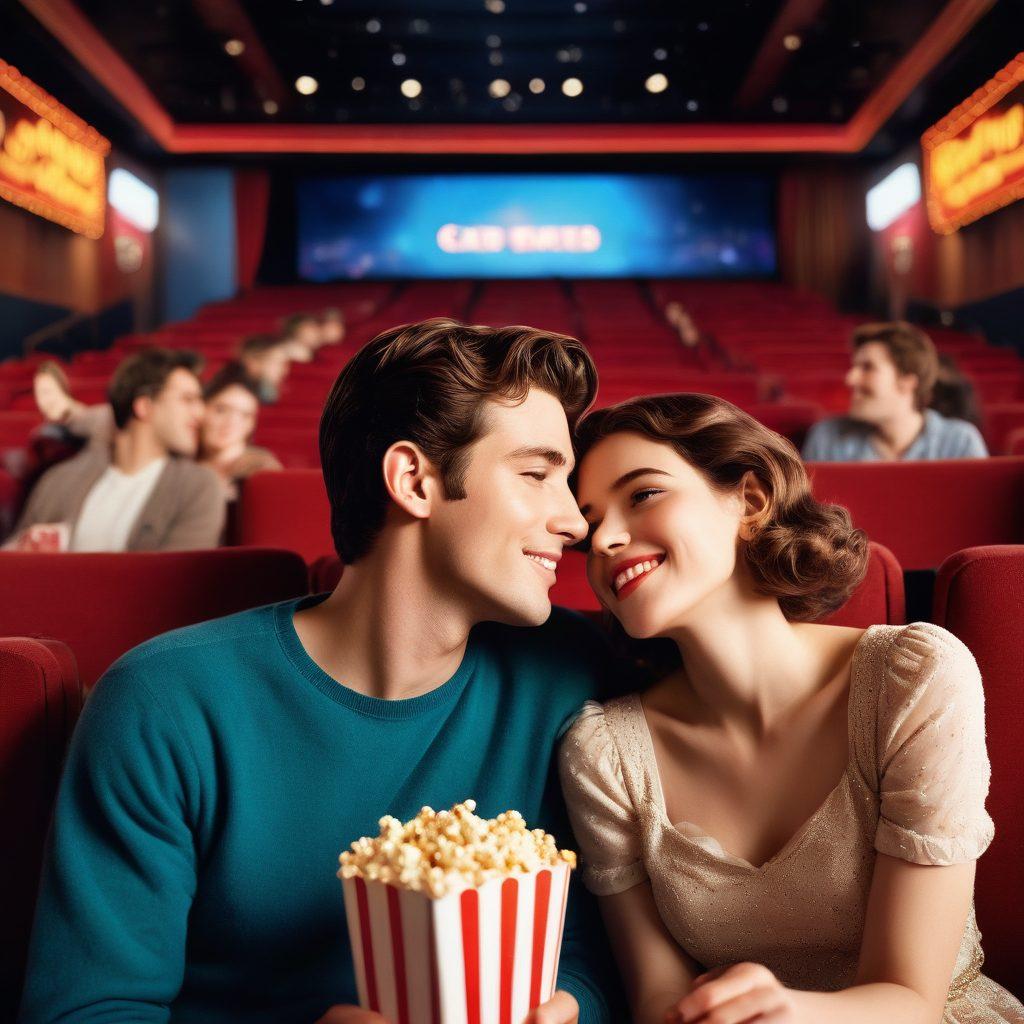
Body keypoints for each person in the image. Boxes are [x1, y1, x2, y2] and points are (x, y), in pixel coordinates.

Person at [20, 319, 619, 1024]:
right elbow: (90, 1010)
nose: (574, 521)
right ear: (414, 480)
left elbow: (591, 952)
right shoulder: (163, 704)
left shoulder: (566, 678)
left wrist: (570, 1006)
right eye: (537, 474)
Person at [559, 393, 1022, 1024]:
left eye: (642, 495)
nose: (606, 539)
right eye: (589, 526)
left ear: (749, 500)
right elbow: (658, 1003)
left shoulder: (913, 679)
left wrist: (788, 1012)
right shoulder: (604, 753)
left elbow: (912, 998)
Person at [5, 348, 224, 553]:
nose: (201, 413)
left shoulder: (198, 486)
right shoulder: (57, 481)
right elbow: (11, 563)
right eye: (187, 400)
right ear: (144, 407)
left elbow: (179, 583)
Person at [802, 322, 987, 461]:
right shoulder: (826, 438)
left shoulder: (960, 442)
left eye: (867, 367)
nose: (850, 378)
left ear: (907, 381)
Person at [199, 363, 282, 500]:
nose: (230, 422)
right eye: (221, 409)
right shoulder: (178, 465)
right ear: (202, 409)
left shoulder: (262, 468)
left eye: (244, 415)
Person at [239, 332, 293, 403]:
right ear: (253, 362)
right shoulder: (233, 394)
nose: (284, 370)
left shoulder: (270, 394)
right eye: (277, 363)